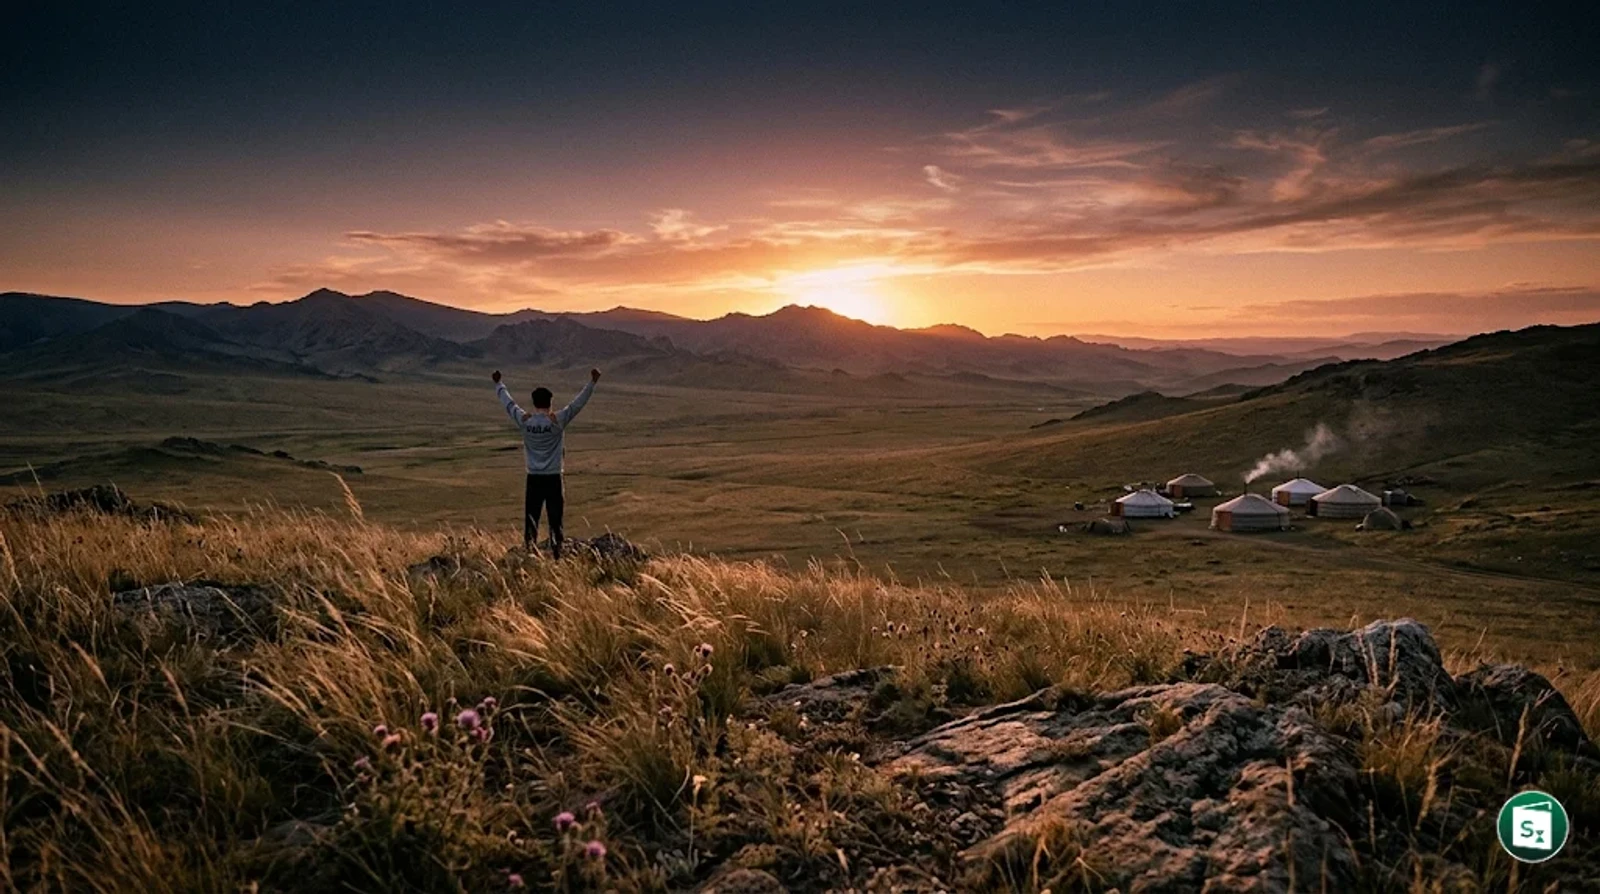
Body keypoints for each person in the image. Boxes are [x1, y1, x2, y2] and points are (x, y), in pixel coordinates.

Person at [493, 367, 601, 556]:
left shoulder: (525, 421)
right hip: (553, 478)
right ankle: (557, 555)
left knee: (531, 520)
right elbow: (577, 404)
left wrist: (498, 384)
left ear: (534, 403)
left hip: (533, 478)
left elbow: (508, 404)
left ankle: (530, 555)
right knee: (555, 520)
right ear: (550, 403)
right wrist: (592, 382)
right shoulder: (557, 421)